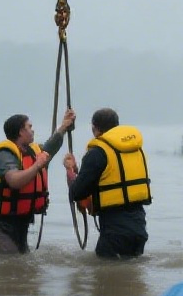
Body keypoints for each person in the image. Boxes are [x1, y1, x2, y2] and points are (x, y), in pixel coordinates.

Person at [0, 109, 75, 254]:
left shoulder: (32, 151)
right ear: (20, 132)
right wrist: (38, 165)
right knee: (10, 265)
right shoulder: (5, 154)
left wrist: (64, 126)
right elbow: (14, 181)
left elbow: (50, 147)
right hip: (0, 229)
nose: (33, 130)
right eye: (29, 127)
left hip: (21, 226)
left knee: (23, 269)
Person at [63, 108, 150, 258]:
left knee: (106, 276)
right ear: (117, 126)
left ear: (94, 128)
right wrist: (79, 170)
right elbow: (111, 176)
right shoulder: (135, 149)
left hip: (114, 229)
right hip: (139, 224)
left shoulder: (97, 152)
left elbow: (77, 192)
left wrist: (70, 170)